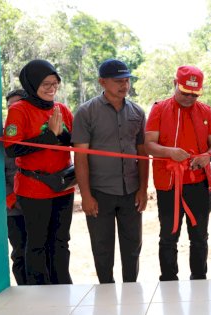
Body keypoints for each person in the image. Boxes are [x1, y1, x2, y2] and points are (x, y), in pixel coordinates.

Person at [72, 59, 149, 283]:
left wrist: (143, 189)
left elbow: (142, 155)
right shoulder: (86, 112)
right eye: (118, 81)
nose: (124, 86)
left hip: (131, 192)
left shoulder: (137, 112)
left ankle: (131, 290)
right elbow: (81, 157)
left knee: (132, 247)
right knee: (102, 248)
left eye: (126, 80)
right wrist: (85, 195)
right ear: (102, 82)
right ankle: (106, 291)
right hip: (99, 192)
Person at [145, 65, 211, 281]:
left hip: (199, 183)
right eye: (185, 92)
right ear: (174, 84)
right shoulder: (159, 109)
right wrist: (170, 152)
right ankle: (168, 280)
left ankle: (199, 278)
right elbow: (149, 145)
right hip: (168, 184)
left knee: (200, 236)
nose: (189, 98)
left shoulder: (206, 111)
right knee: (168, 235)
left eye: (194, 94)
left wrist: (208, 156)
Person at [4, 59, 75, 285]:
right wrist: (49, 136)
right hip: (34, 189)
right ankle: (39, 291)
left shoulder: (61, 109)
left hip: (62, 186)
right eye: (45, 83)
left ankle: (63, 285)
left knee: (61, 241)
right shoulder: (19, 110)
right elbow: (12, 148)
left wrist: (60, 134)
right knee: (37, 243)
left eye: (55, 83)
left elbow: (71, 142)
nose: (51, 88)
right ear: (32, 83)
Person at [4, 89, 28, 285]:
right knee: (19, 252)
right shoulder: (2, 137)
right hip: (14, 208)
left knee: (42, 250)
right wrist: (12, 199)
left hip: (39, 203)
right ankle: (24, 290)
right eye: (10, 107)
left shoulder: (37, 131)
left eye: (18, 105)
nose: (14, 109)